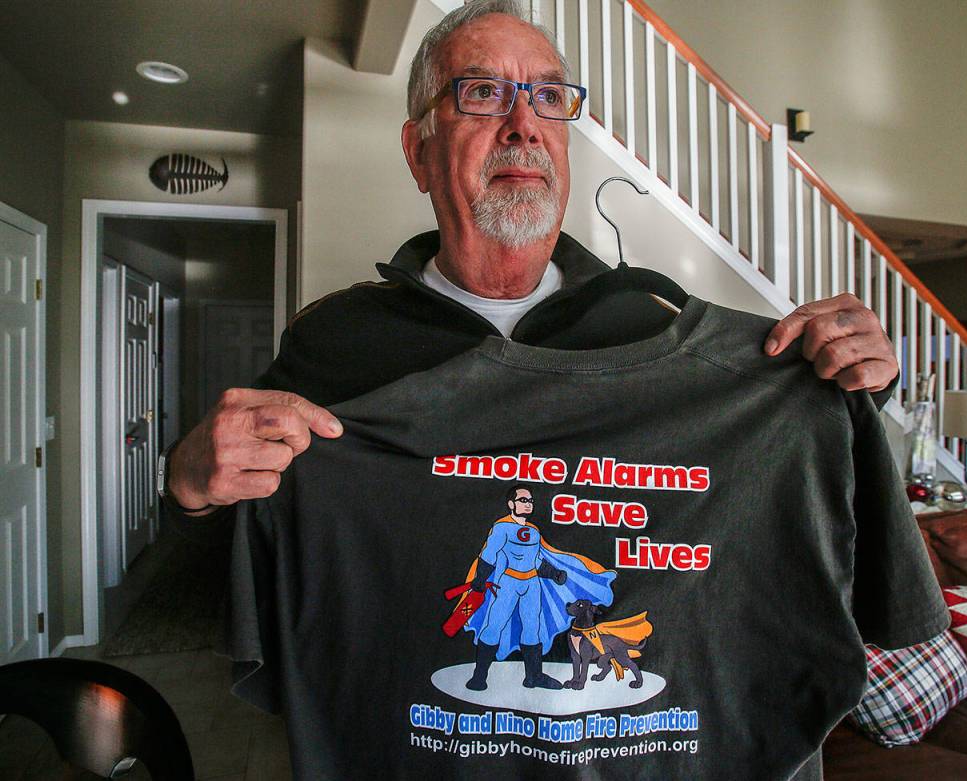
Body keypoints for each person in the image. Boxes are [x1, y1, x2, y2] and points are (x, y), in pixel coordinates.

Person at [160, 0, 899, 521]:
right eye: (483, 93)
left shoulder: (656, 322)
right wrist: (190, 477)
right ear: (419, 152)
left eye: (548, 98)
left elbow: (779, 475)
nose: (525, 126)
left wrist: (851, 383)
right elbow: (243, 529)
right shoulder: (333, 339)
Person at [454, 485, 615, 691]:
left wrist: (554, 573)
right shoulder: (502, 527)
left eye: (530, 501)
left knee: (532, 629)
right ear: (511, 504)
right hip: (508, 583)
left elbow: (537, 559)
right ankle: (479, 677)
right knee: (494, 625)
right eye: (523, 500)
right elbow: (489, 554)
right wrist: (480, 579)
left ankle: (534, 676)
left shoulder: (533, 531)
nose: (528, 504)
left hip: (531, 584)